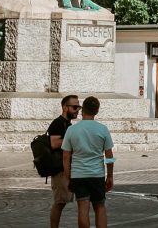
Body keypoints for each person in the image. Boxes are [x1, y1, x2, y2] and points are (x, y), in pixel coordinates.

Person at [62, 96, 115, 228]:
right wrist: (110, 175)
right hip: (97, 174)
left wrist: (67, 177)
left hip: (78, 175)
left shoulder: (72, 130)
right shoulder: (103, 129)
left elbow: (66, 157)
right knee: (100, 207)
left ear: (82, 110)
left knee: (83, 208)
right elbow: (109, 156)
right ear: (96, 111)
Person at [49, 94, 81, 228]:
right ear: (64, 108)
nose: (77, 110)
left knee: (62, 202)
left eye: (79, 107)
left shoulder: (67, 124)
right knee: (59, 202)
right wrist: (73, 140)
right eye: (74, 107)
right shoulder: (57, 123)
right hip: (59, 169)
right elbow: (54, 143)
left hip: (67, 168)